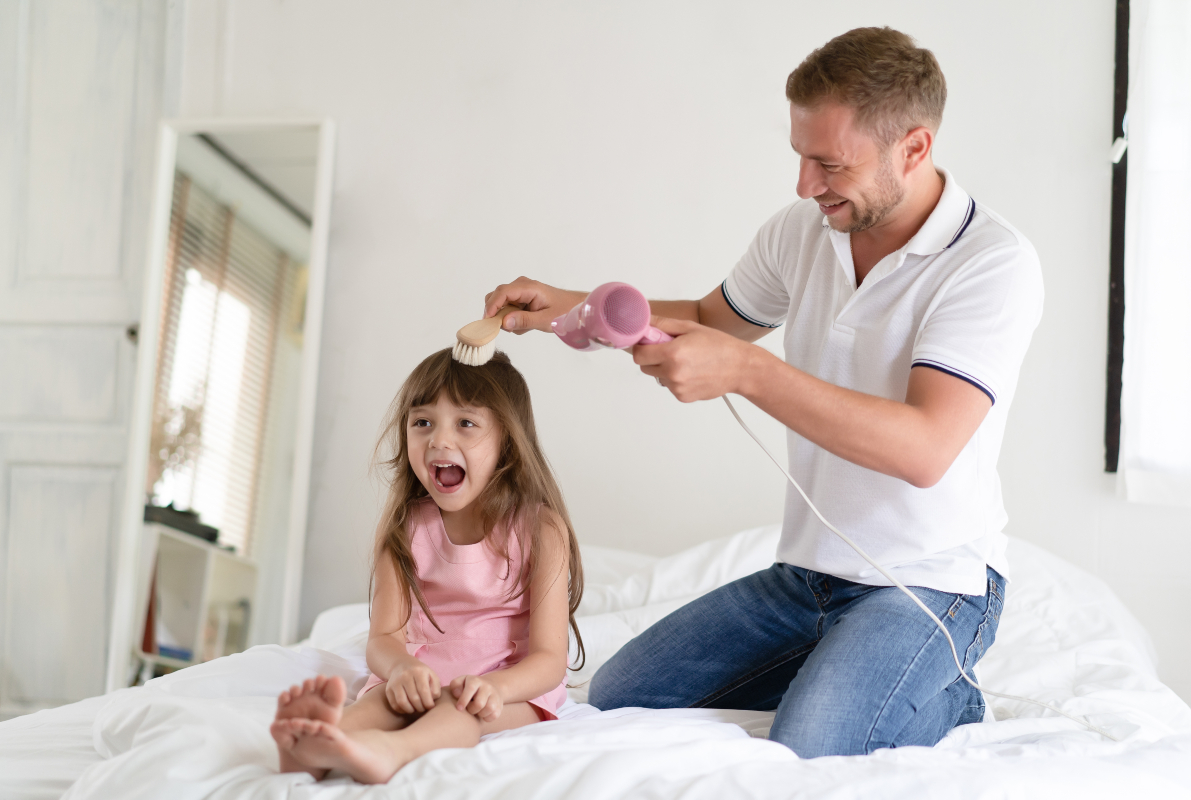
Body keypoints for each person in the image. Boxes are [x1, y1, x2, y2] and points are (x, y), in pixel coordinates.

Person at [482, 27, 1043, 757]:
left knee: (811, 744)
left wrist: (747, 374)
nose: (806, 186)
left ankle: (949, 693)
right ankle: (842, 662)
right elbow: (715, 321)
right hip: (808, 577)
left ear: (914, 147)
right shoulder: (803, 231)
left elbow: (925, 447)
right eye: (800, 156)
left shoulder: (991, 263)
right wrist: (570, 305)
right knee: (621, 696)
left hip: (929, 587)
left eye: (829, 163)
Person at [270, 349, 583, 784]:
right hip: (420, 677)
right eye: (422, 422)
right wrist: (400, 669)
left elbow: (550, 659)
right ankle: (316, 742)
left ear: (507, 441)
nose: (438, 440)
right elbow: (384, 638)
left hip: (505, 692)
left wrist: (497, 688)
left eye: (466, 423)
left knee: (457, 713)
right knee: (380, 704)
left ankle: (389, 751)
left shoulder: (541, 528)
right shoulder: (404, 525)